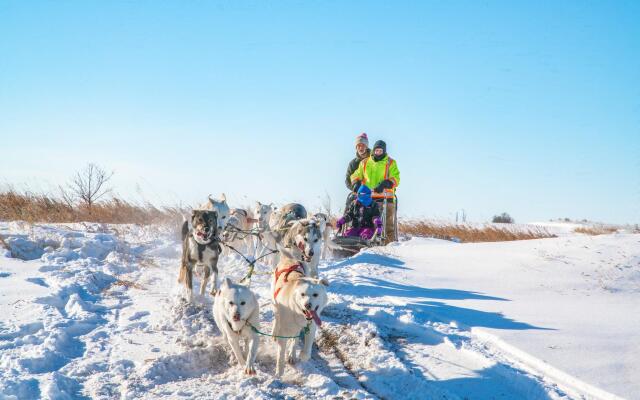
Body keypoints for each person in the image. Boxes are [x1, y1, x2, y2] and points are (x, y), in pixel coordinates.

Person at [350, 140, 400, 243]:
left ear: (384, 151)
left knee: (387, 226)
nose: (378, 152)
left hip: (386, 198)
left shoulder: (390, 162)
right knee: (363, 223)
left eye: (380, 151)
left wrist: (386, 183)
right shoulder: (364, 162)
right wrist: (355, 183)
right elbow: (355, 175)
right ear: (373, 150)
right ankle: (362, 244)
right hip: (367, 199)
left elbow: (396, 178)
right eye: (376, 150)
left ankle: (389, 249)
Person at [344, 133, 371, 209]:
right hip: (358, 193)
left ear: (366, 146)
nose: (361, 148)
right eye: (358, 145)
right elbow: (347, 180)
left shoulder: (374, 160)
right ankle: (346, 220)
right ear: (356, 147)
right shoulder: (353, 163)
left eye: (363, 145)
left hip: (374, 192)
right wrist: (355, 188)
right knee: (350, 201)